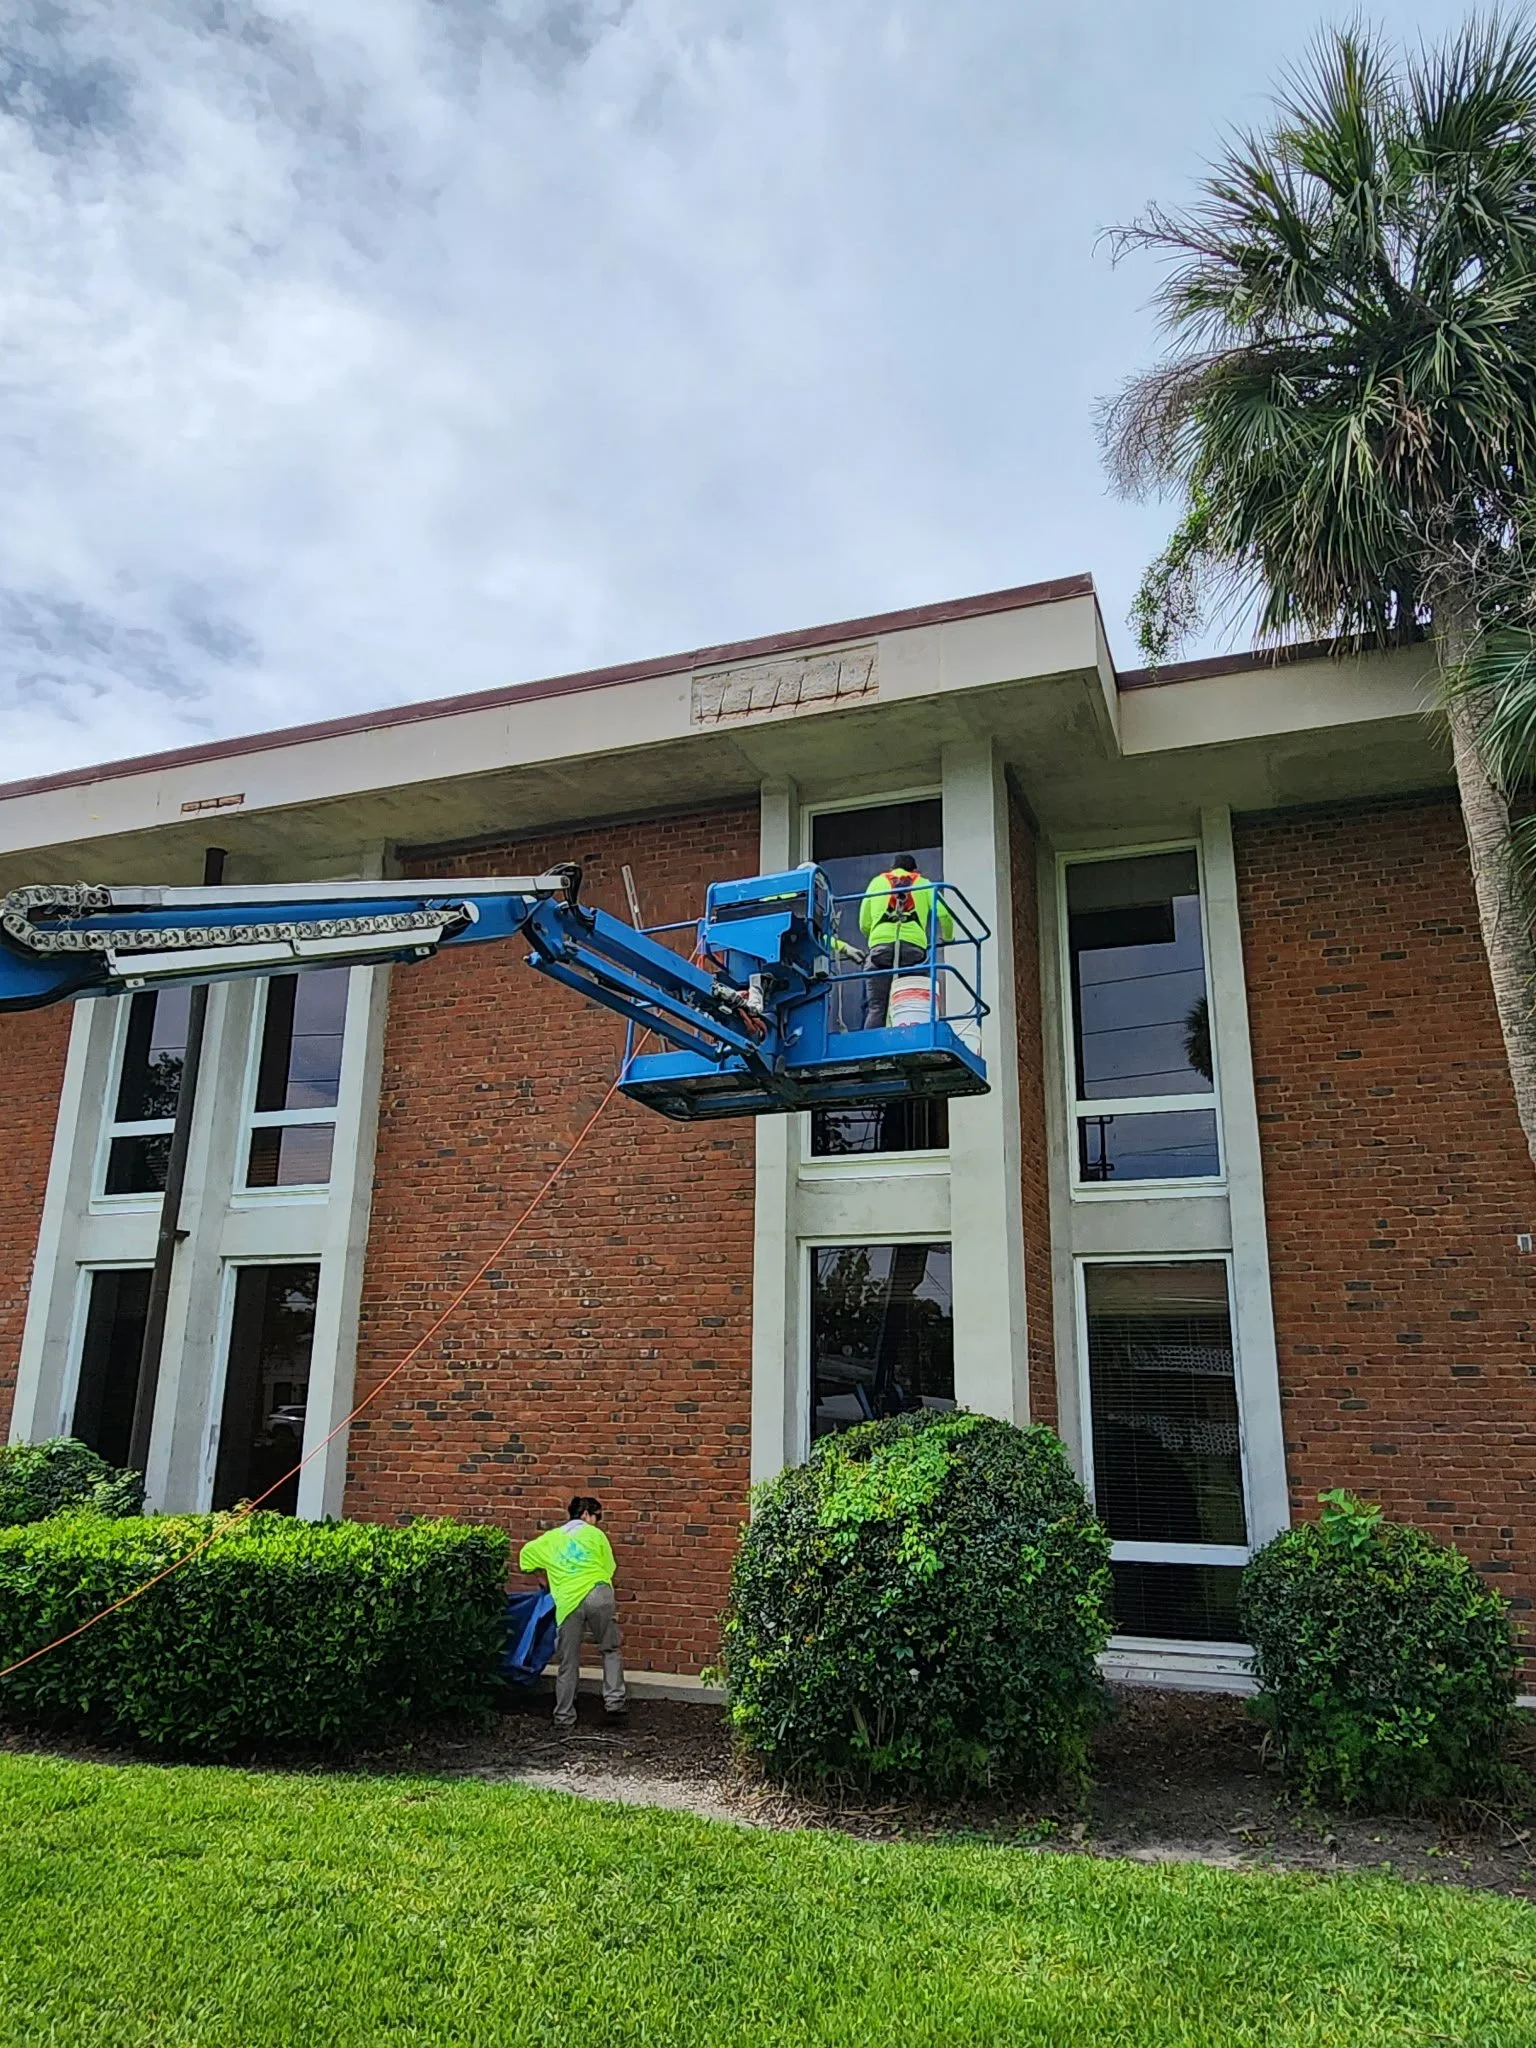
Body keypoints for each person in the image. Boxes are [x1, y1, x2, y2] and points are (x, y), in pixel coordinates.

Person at [519, 1495, 627, 1731]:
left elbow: (525, 1557)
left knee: (568, 1661)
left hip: (568, 1601)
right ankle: (614, 1701)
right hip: (598, 1593)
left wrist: (543, 1577)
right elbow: (609, 1568)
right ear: (586, 1514)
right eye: (597, 1516)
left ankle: (564, 1716)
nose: (598, 1522)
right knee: (610, 1649)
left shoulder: (551, 1539)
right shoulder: (596, 1535)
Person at [858, 853, 954, 1030]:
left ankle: (874, 1051)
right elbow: (945, 915)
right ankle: (914, 1039)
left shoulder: (877, 883)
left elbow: (864, 923)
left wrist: (876, 938)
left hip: (881, 949)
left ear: (892, 869)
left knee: (877, 1007)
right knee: (913, 1004)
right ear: (914, 870)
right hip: (913, 950)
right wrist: (948, 938)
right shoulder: (925, 884)